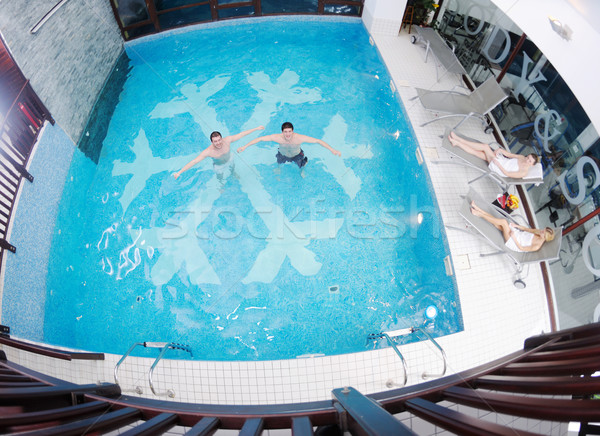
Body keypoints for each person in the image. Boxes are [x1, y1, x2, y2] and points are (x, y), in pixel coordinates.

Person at [237, 122, 341, 168]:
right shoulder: (277, 137)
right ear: (282, 132)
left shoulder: (299, 138)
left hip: (297, 155)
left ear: (293, 131)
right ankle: (278, 168)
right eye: (285, 132)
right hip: (282, 154)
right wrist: (245, 146)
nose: (287, 134)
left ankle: (303, 166)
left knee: (301, 166)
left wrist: (332, 150)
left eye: (289, 131)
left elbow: (318, 141)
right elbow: (259, 139)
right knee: (279, 163)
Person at [173, 126, 264, 179]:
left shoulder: (227, 140)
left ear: (222, 138)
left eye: (219, 140)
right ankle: (221, 185)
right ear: (212, 142)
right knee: (220, 176)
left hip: (230, 158)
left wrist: (256, 128)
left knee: (232, 168)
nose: (218, 143)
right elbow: (194, 161)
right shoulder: (208, 151)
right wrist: (179, 172)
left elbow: (241, 134)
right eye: (215, 141)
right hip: (219, 165)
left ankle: (233, 173)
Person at [448, 131, 539, 179]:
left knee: (485, 147)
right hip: (501, 160)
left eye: (529, 161)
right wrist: (500, 150)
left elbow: (507, 173)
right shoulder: (522, 157)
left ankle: (459, 140)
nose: (527, 160)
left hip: (500, 168)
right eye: (528, 157)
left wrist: (498, 164)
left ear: (532, 164)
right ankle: (457, 143)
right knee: (478, 153)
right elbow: (509, 155)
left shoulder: (523, 172)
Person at [470, 201, 554, 252]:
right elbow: (525, 229)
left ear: (545, 237)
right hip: (516, 234)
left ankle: (479, 214)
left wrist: (513, 237)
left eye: (543, 232)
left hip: (513, 242)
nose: (541, 230)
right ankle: (478, 209)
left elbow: (522, 248)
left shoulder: (537, 246)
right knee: (496, 223)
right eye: (543, 229)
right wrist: (516, 226)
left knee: (503, 222)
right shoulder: (539, 232)